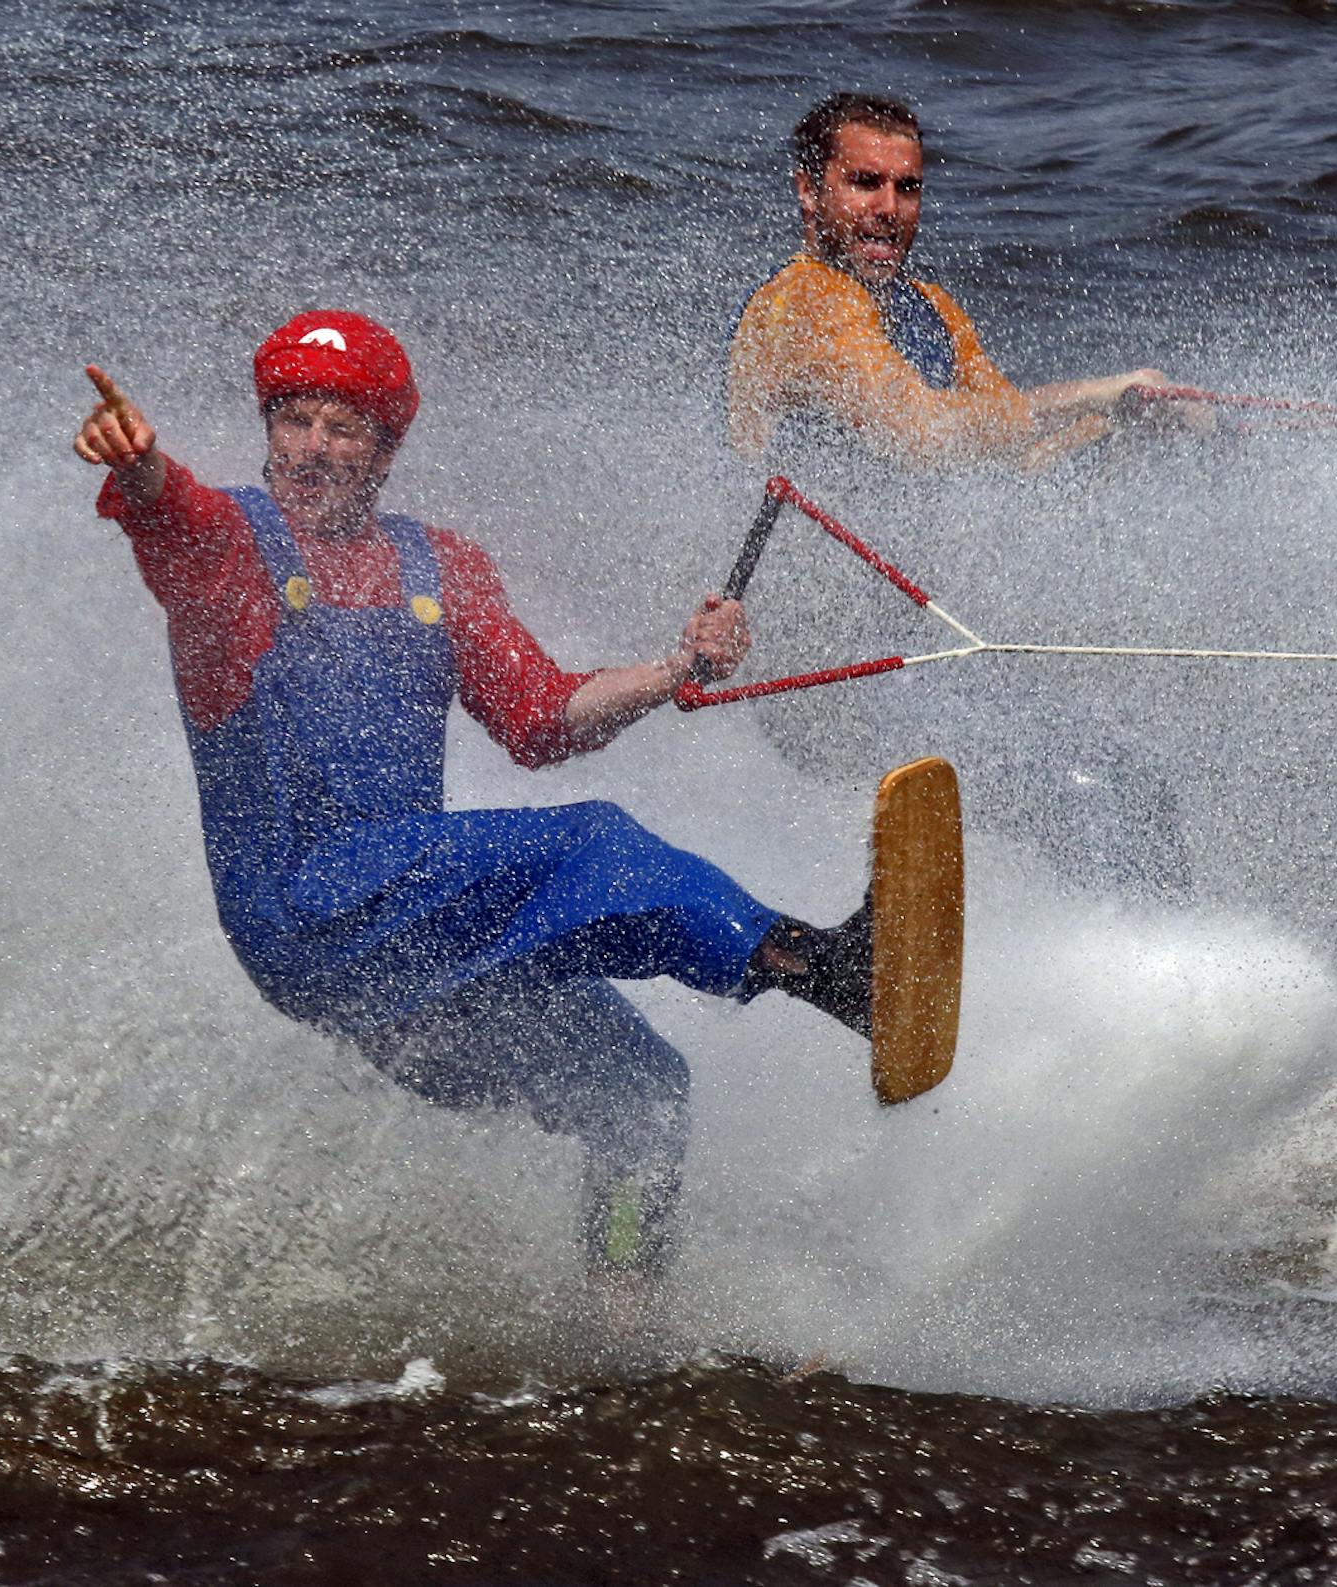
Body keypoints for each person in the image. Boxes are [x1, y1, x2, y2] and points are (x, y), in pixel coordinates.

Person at [73, 310, 873, 1287]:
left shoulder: (438, 570)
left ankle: (618, 1335)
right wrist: (143, 466)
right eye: (295, 422)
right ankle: (823, 969)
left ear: (386, 448)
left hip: (414, 950)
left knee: (639, 1089)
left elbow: (542, 718)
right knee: (594, 843)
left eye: (344, 428)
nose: (313, 450)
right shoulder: (230, 550)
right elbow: (170, 513)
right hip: (305, 909)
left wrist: (676, 670)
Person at [726, 92, 1207, 472]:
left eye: (907, 188)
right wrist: (1096, 394)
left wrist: (1125, 414)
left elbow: (1011, 444)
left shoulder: (931, 306)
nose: (889, 209)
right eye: (866, 183)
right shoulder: (805, 298)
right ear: (808, 191)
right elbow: (923, 437)